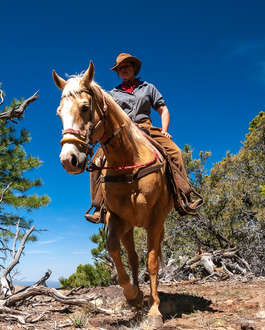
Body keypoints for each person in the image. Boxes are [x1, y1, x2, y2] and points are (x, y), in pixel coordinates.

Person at [85, 52, 203, 223]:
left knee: (174, 151)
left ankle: (183, 196)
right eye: (120, 68)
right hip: (122, 132)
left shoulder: (148, 88)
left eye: (127, 66)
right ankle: (99, 207)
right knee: (97, 161)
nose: (124, 70)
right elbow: (104, 118)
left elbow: (163, 109)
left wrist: (164, 130)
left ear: (134, 68)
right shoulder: (112, 94)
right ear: (118, 73)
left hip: (146, 127)